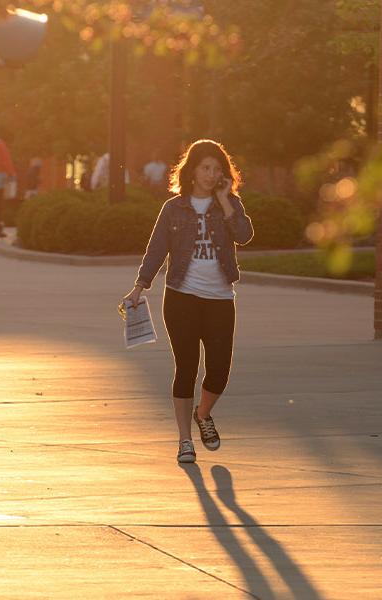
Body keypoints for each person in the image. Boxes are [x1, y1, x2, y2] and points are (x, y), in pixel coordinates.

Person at [122, 139, 254, 463]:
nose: (211, 174)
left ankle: (203, 413)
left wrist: (225, 202)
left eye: (217, 169)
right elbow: (156, 250)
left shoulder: (229, 203)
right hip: (181, 296)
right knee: (186, 367)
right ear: (192, 171)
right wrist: (140, 285)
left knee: (220, 370)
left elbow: (245, 235)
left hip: (220, 297)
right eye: (205, 168)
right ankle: (184, 440)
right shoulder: (174, 208)